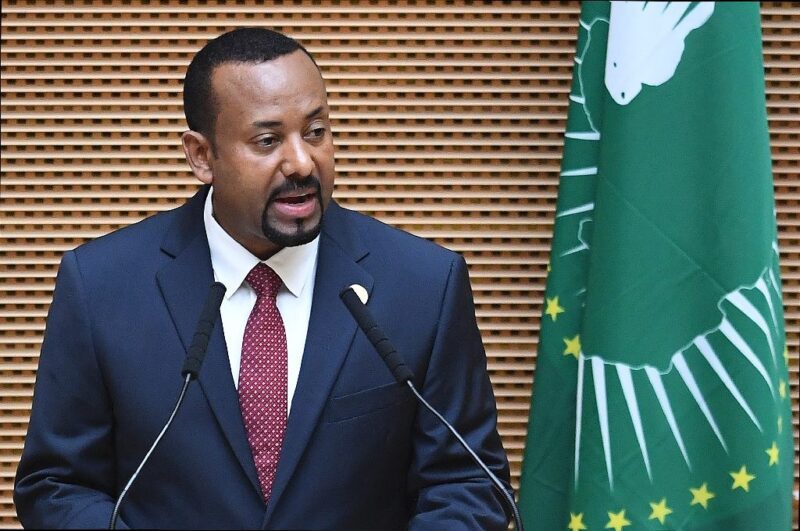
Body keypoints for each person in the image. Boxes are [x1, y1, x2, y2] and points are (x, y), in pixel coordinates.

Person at [13, 28, 511, 529]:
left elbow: (467, 483)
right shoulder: (101, 286)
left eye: (315, 132)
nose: (301, 162)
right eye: (268, 140)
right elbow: (57, 485)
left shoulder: (424, 284)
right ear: (202, 156)